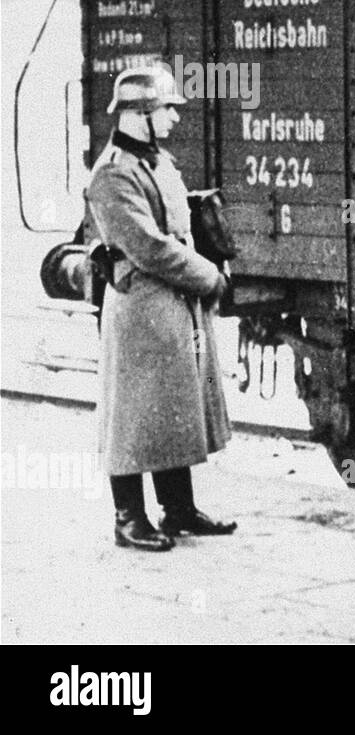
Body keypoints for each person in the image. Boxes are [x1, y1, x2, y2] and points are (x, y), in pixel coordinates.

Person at [84, 67, 236, 552]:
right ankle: (128, 519)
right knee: (131, 417)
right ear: (138, 115)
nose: (173, 118)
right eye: (166, 109)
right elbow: (149, 247)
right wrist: (208, 276)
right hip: (140, 311)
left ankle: (179, 510)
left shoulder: (156, 162)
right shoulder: (112, 173)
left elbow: (178, 230)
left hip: (169, 306)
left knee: (169, 412)